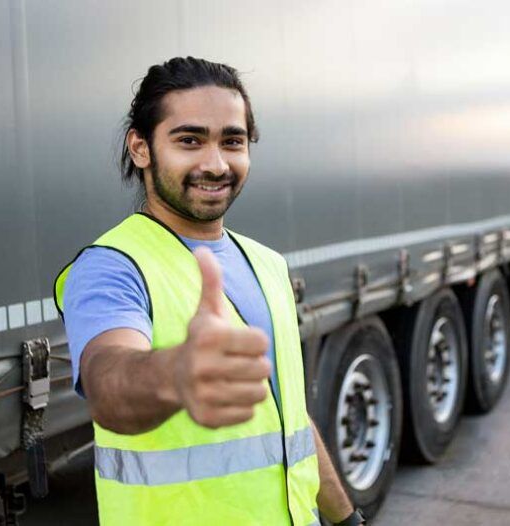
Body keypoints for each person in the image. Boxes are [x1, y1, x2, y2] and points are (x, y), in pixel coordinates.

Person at [54, 57, 366, 525]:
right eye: (189, 140)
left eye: (232, 142)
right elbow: (108, 383)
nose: (216, 164)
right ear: (140, 148)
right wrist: (175, 374)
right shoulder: (111, 266)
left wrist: (345, 519)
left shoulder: (268, 264)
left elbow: (290, 419)